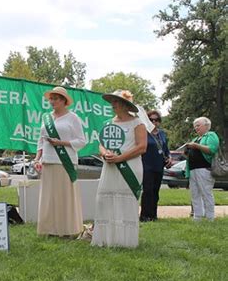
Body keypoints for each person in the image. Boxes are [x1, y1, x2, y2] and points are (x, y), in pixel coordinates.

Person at [92, 90, 147, 248]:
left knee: (126, 201)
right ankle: (106, 239)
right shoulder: (108, 123)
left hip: (129, 166)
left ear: (125, 105)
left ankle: (126, 241)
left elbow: (142, 147)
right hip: (110, 167)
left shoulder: (137, 123)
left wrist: (120, 158)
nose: (113, 105)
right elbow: (101, 144)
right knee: (105, 201)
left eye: (116, 102)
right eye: (112, 102)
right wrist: (104, 154)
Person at [34, 86, 86, 238]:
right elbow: (41, 141)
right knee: (49, 197)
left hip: (65, 161)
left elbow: (81, 141)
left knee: (65, 197)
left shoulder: (73, 118)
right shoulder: (46, 118)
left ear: (64, 101)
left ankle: (67, 230)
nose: (52, 101)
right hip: (48, 161)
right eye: (51, 98)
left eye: (56, 98)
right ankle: (49, 229)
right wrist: (37, 158)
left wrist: (61, 143)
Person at [185, 117, 219, 221]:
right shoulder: (196, 139)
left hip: (204, 169)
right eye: (195, 126)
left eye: (198, 125)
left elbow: (212, 149)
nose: (196, 127)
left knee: (206, 193)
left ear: (206, 125)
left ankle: (210, 217)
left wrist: (195, 146)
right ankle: (197, 217)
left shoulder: (211, 135)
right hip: (193, 169)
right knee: (195, 193)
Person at [140, 110, 172, 222]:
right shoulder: (143, 132)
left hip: (159, 166)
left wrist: (169, 158)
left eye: (157, 120)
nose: (154, 122)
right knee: (147, 191)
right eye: (151, 119)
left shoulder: (162, 134)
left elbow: (166, 149)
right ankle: (145, 215)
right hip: (147, 165)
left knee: (155, 191)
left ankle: (153, 215)